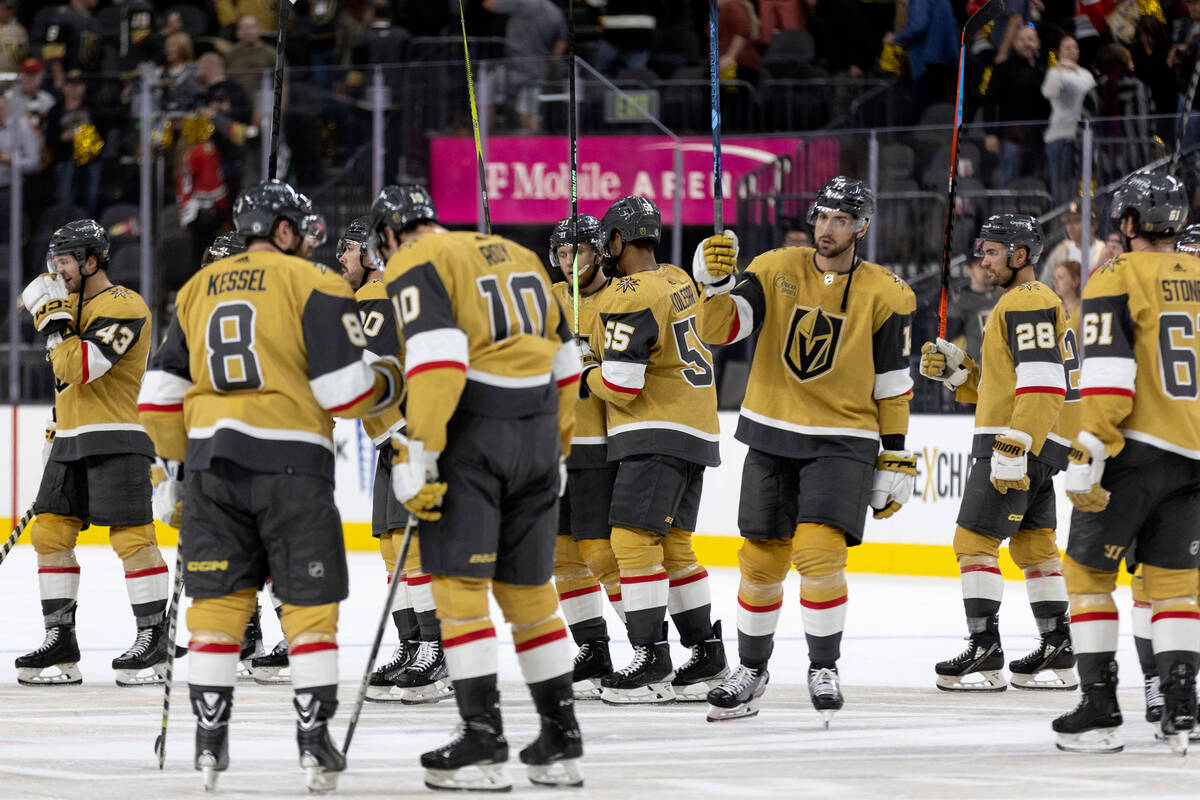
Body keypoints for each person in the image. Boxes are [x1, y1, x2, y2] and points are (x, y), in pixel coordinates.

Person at [136, 180, 404, 792]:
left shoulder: (196, 289)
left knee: (219, 606)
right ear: (282, 230)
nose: (312, 243)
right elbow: (344, 394)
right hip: (293, 470)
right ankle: (313, 744)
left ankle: (209, 746)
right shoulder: (317, 284)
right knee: (308, 606)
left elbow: (156, 402)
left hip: (211, 470)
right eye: (303, 232)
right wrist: (388, 381)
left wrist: (186, 467)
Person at [373, 184, 585, 791]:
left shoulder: (415, 261)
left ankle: (483, 742)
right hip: (540, 433)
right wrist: (560, 446)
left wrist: (422, 449)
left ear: (390, 235)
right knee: (528, 592)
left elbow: (438, 361)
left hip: (474, 436)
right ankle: (560, 737)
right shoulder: (517, 254)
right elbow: (568, 366)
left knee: (460, 587)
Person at [691, 177, 916, 724]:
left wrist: (896, 455)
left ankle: (823, 665)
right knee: (760, 561)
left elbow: (893, 384)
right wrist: (715, 284)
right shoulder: (773, 268)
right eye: (821, 217)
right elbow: (721, 331)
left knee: (818, 553)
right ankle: (751, 669)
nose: (826, 229)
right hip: (771, 429)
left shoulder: (886, 293)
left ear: (862, 226)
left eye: (840, 220)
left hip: (844, 439)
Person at [1052, 171, 1200, 755]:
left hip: (1134, 450)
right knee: (1174, 586)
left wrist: (1090, 445)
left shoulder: (1115, 273)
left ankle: (1099, 705)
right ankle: (1183, 706)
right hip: (1194, 454)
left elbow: (1110, 376)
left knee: (1087, 576)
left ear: (1131, 223)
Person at [577, 195, 728, 706]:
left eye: (608, 242)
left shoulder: (627, 293)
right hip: (697, 430)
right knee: (675, 548)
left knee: (632, 543)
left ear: (618, 241)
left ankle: (650, 659)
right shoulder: (677, 278)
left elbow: (621, 386)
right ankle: (707, 654)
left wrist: (584, 369)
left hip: (653, 432)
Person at [920, 214, 1075, 693]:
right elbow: (1003, 386)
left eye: (992, 250)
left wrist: (1017, 441)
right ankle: (1058, 649)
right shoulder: (1021, 302)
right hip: (1040, 440)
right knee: (1034, 547)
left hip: (1016, 441)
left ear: (1021, 255)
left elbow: (1044, 381)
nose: (982, 258)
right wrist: (957, 373)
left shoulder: (1027, 300)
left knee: (973, 543)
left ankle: (984, 650)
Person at [16, 221, 169, 688]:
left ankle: (153, 641)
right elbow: (64, 383)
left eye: (65, 262)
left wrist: (54, 322)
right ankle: (60, 640)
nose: (58, 271)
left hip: (118, 436)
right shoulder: (69, 307)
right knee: (49, 534)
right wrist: (54, 428)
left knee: (132, 539)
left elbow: (80, 366)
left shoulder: (125, 305)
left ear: (91, 260)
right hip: (71, 439)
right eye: (54, 263)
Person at [335, 215, 452, 706]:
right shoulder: (367, 298)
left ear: (369, 254)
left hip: (409, 434)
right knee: (392, 548)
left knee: (413, 548)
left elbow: (367, 366)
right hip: (391, 439)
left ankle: (435, 648)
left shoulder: (375, 296)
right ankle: (411, 646)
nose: (339, 258)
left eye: (347, 249)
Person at [547, 214, 627, 698]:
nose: (567, 262)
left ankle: (646, 644)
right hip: (553, 445)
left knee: (600, 552)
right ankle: (593, 648)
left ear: (599, 252)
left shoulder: (621, 297)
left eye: (576, 251)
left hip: (601, 443)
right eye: (559, 253)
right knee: (562, 556)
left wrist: (589, 358)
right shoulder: (549, 298)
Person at [1041, 34, 1096, 202]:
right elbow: (1048, 92)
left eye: (1075, 47)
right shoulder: (1055, 72)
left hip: (1082, 135)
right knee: (1060, 185)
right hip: (1059, 135)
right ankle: (1060, 221)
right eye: (1067, 48)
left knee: (1078, 183)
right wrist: (1058, 69)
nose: (1073, 51)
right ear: (1058, 52)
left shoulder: (1086, 74)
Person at [945, 257, 1000, 364]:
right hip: (976, 372)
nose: (987, 271)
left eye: (990, 266)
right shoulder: (961, 303)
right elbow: (948, 343)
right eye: (981, 267)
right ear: (968, 269)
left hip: (1006, 370)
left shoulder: (1006, 296)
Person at [1040, 202, 1106, 284]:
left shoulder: (1104, 251)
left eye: (1076, 220)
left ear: (1093, 224)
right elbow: (1046, 283)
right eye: (1068, 222)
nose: (1070, 226)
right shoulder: (1061, 251)